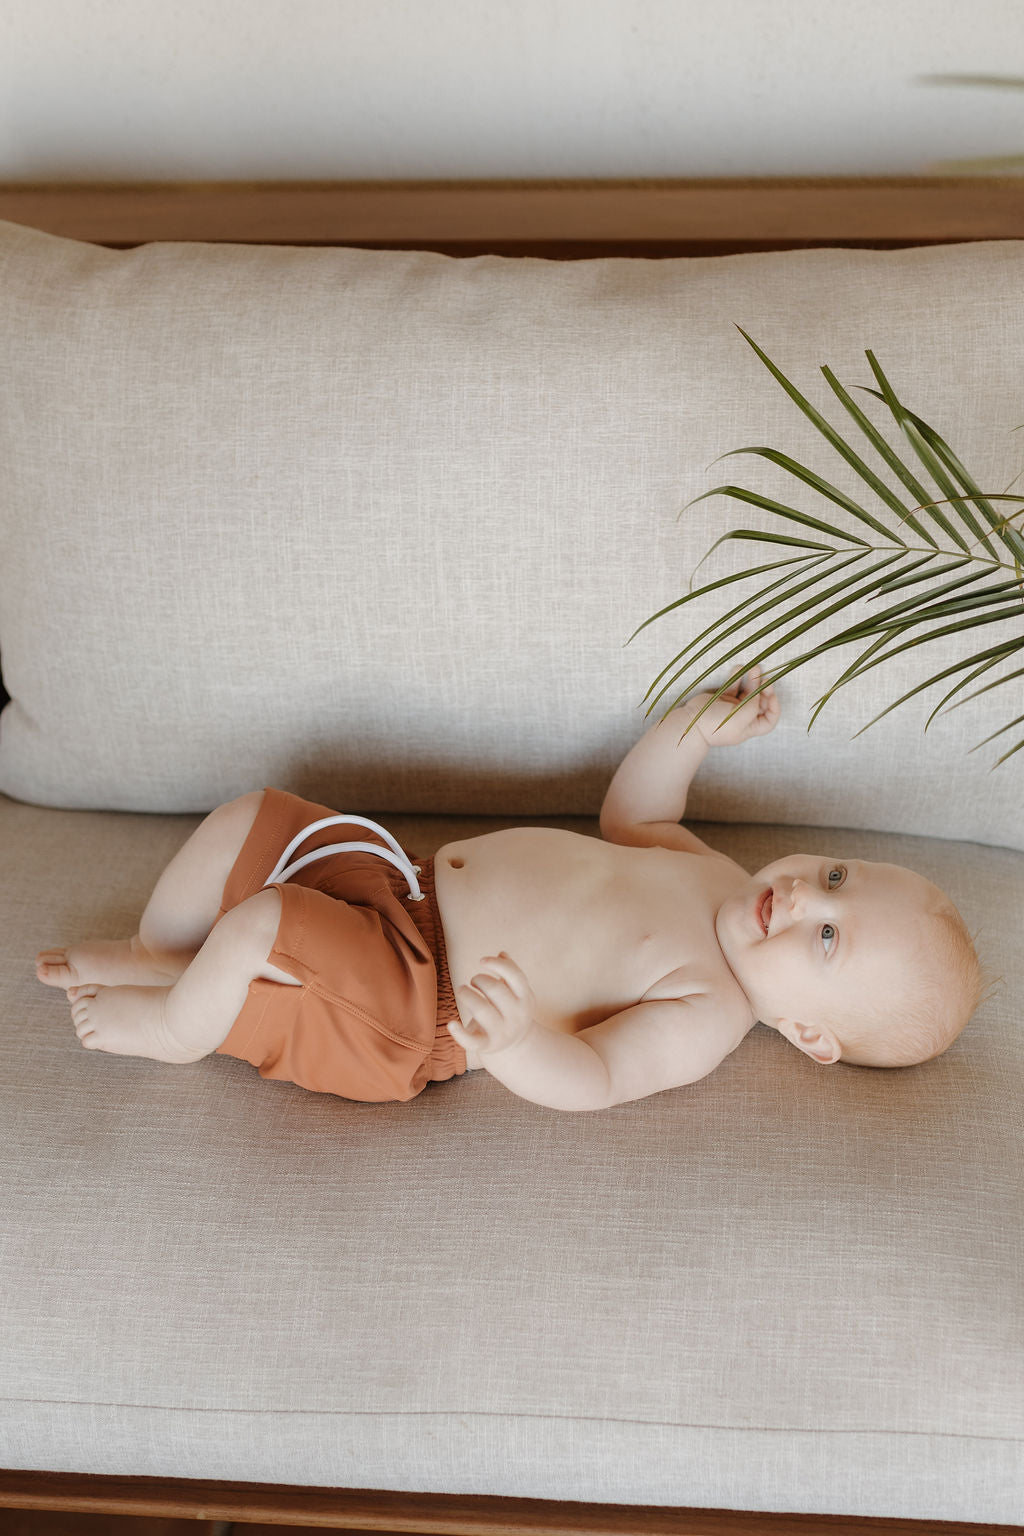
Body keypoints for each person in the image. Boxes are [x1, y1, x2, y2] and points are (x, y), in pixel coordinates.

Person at [35, 668, 983, 1110]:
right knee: (252, 816)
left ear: (810, 1033)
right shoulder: (718, 875)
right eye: (834, 877)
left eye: (827, 939)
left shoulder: (709, 1011)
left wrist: (521, 1042)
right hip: (401, 885)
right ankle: (161, 951)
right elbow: (632, 815)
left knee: (265, 924)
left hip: (419, 1004)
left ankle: (172, 1028)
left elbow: (602, 1077)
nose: (806, 898)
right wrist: (695, 734)